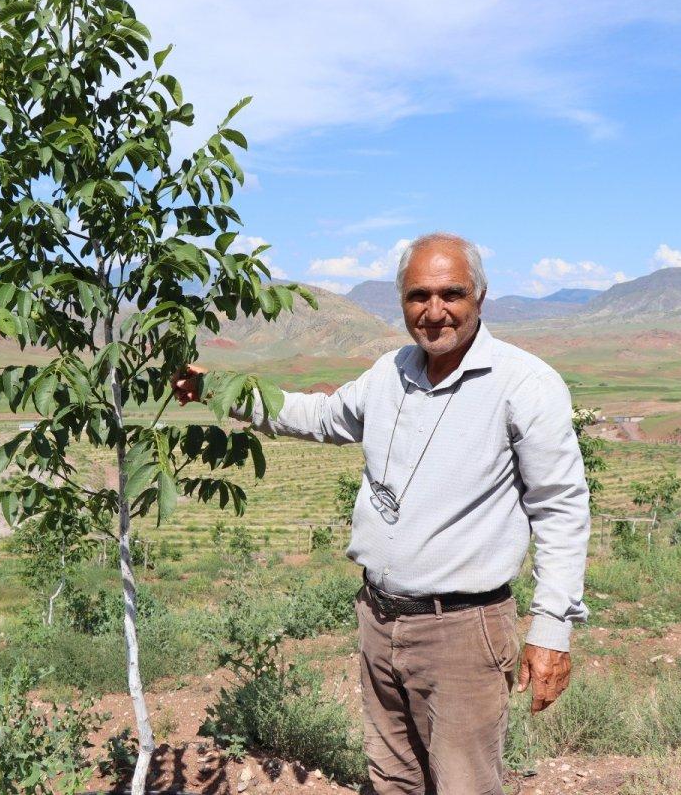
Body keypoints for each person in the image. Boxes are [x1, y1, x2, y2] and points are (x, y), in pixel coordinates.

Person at [172, 232, 590, 795]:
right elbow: (319, 416)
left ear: (480, 297)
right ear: (401, 301)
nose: (434, 311)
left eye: (451, 294)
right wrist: (220, 389)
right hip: (379, 617)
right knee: (392, 778)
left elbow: (560, 506)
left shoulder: (525, 384)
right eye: (419, 296)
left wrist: (552, 628)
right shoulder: (389, 372)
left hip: (463, 631)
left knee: (464, 784)